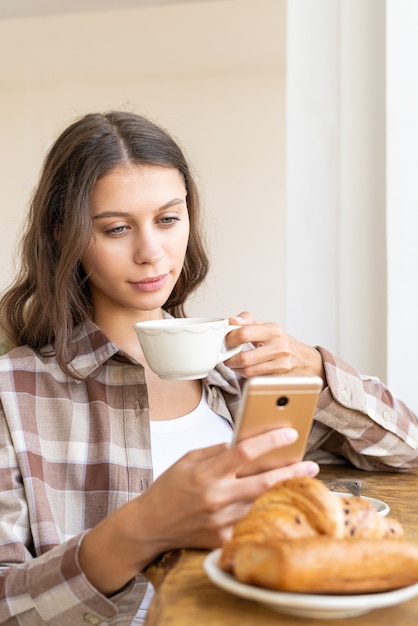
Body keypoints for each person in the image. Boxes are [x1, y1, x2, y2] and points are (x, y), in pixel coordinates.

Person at [0, 111, 417, 626]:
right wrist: (137, 530)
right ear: (64, 236)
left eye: (168, 220)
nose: (151, 253)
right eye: (115, 228)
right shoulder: (14, 393)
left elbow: (407, 451)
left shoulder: (238, 374)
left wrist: (313, 370)